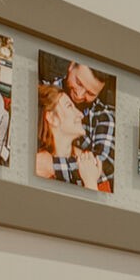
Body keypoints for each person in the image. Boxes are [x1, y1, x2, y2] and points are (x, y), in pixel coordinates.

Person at [44, 60, 115, 191]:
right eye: (79, 83)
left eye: (91, 93)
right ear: (71, 65)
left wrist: (50, 165)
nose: (80, 95)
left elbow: (105, 164)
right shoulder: (41, 92)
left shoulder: (103, 117)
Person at [35, 83, 89, 183]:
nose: (81, 114)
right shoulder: (37, 169)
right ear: (52, 118)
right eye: (69, 106)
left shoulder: (85, 160)